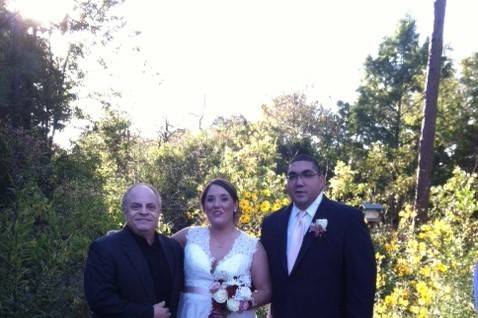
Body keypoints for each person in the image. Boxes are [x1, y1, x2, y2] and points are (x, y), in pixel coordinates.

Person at [260, 154, 376, 318]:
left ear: (321, 180)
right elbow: (264, 277)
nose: (299, 182)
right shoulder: (272, 223)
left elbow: (362, 284)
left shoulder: (348, 219)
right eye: (292, 176)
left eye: (307, 175)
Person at [172, 178, 271, 318]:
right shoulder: (187, 236)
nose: (217, 205)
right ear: (204, 206)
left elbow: (265, 290)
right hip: (191, 312)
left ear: (235, 204)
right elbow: (157, 251)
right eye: (210, 199)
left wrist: (240, 304)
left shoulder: (252, 245)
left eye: (224, 199)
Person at [84, 183, 184, 318]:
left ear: (159, 212)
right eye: (136, 206)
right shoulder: (104, 248)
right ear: (125, 210)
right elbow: (100, 301)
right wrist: (148, 313)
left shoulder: (173, 248)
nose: (144, 211)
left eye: (150, 207)